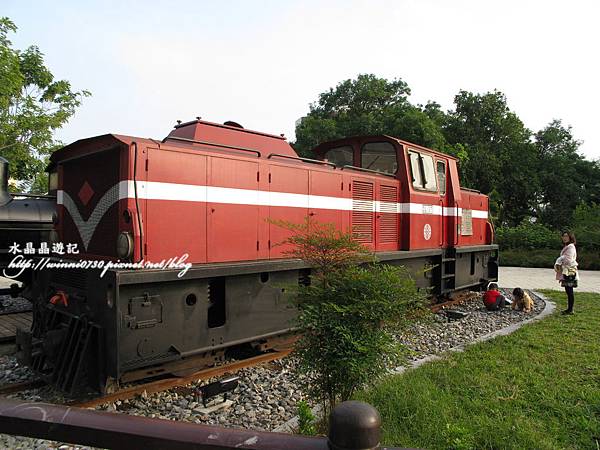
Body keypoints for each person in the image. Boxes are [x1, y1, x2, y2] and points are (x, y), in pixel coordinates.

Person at [554, 230, 578, 315]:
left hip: (569, 272)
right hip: (566, 271)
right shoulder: (567, 246)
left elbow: (568, 260)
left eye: (566, 236)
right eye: (563, 236)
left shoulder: (570, 247)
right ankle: (569, 309)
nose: (565, 238)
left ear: (570, 237)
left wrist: (559, 259)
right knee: (568, 290)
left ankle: (570, 309)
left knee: (569, 291)